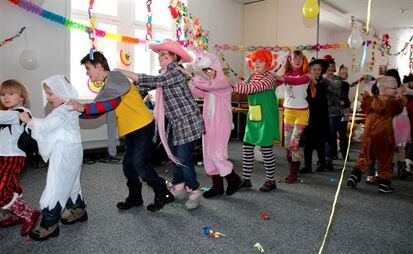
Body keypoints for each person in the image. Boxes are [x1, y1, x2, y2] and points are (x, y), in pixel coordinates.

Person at [68, 51, 174, 212]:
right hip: (132, 129)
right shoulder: (108, 85)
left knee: (140, 164)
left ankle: (163, 192)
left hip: (142, 125)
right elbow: (99, 108)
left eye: (88, 69)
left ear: (98, 66)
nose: (87, 73)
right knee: (128, 166)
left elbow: (109, 103)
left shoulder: (115, 78)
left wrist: (82, 108)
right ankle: (135, 197)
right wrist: (77, 112)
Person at [114, 39, 205, 209]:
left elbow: (152, 81)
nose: (160, 57)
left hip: (187, 121)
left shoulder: (175, 73)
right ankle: (179, 185)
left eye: (164, 54)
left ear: (174, 57)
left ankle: (194, 189)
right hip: (175, 122)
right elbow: (150, 84)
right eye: (159, 54)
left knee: (183, 158)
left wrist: (122, 71)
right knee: (172, 154)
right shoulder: (165, 74)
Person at [17, 75, 86, 240]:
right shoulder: (69, 107)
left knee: (56, 184)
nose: (48, 98)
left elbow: (47, 127)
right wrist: (34, 121)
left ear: (62, 91)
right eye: (47, 94)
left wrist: (29, 121)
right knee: (71, 181)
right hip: (73, 150)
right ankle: (78, 210)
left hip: (64, 151)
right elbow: (50, 123)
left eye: (51, 93)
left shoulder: (64, 109)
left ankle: (49, 224)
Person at [184, 49, 241, 198]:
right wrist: (186, 83)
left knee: (217, 154)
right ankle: (218, 186)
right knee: (209, 155)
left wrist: (190, 76)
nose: (208, 72)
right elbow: (202, 92)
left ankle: (234, 179)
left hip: (221, 124)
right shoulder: (210, 84)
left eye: (210, 69)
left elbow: (209, 87)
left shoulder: (224, 82)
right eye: (205, 70)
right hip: (208, 124)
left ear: (216, 67)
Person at [347, 76, 406, 193]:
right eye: (394, 88)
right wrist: (402, 99)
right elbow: (398, 109)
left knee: (364, 156)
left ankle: (355, 175)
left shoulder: (371, 100)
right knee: (385, 159)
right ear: (384, 89)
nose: (396, 90)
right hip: (384, 136)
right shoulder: (391, 102)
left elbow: (364, 106)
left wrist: (365, 98)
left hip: (369, 134)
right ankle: (384, 184)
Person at [232, 49, 279, 191]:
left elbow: (253, 88)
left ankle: (271, 181)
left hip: (266, 118)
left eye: (261, 61)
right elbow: (244, 87)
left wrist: (233, 85)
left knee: (266, 149)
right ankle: (246, 179)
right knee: (247, 148)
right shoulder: (251, 77)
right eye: (255, 61)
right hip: (254, 116)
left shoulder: (270, 78)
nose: (257, 64)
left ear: (267, 63)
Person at [0, 79, 40, 237]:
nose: (5, 97)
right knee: (7, 186)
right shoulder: (9, 114)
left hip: (12, 157)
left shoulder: (19, 113)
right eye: (2, 94)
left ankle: (29, 214)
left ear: (22, 97)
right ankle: (17, 214)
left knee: (1, 190)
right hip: (4, 155)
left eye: (11, 93)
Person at [274, 50, 310, 183]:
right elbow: (273, 83)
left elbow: (295, 81)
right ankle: (294, 163)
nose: (298, 60)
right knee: (288, 145)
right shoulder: (286, 75)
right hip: (288, 112)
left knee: (294, 144)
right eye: (295, 58)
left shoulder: (306, 76)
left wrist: (280, 77)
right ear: (290, 59)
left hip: (302, 113)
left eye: (300, 58)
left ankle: (293, 172)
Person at [299, 59, 330, 173]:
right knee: (308, 142)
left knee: (320, 141)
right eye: (314, 69)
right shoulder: (305, 83)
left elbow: (321, 95)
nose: (317, 72)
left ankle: (322, 163)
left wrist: (314, 82)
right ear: (309, 71)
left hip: (321, 117)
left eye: (319, 70)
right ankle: (307, 165)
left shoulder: (323, 83)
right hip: (308, 116)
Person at [323, 55, 343, 170]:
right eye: (329, 66)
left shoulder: (337, 79)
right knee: (323, 137)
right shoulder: (321, 78)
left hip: (334, 112)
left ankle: (328, 159)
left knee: (330, 136)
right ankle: (324, 158)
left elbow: (335, 88)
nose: (331, 68)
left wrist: (326, 79)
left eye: (332, 66)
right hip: (323, 112)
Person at [338, 64, 351, 160]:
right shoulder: (332, 83)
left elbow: (343, 99)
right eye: (341, 72)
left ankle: (345, 154)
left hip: (344, 110)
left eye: (345, 73)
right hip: (335, 110)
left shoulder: (345, 84)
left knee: (343, 133)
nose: (343, 74)